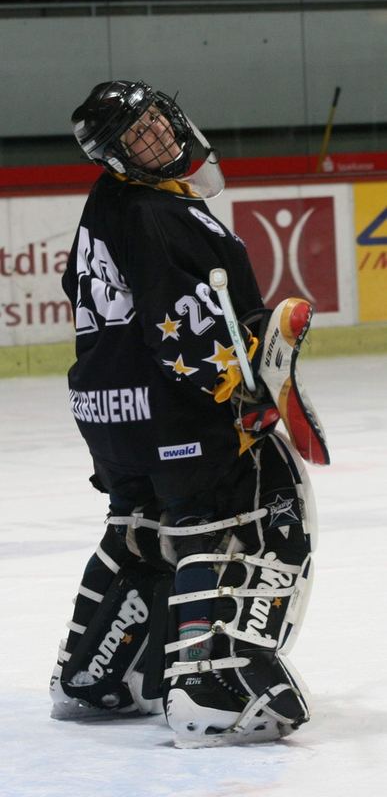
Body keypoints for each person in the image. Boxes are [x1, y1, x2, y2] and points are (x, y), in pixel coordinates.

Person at [49, 79, 329, 746]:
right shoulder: (156, 214)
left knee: (143, 526)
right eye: (135, 137)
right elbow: (180, 325)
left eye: (153, 122)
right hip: (168, 411)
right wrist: (240, 387)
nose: (156, 138)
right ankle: (215, 689)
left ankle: (98, 675)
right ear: (114, 156)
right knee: (249, 513)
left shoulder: (110, 202)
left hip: (109, 407)